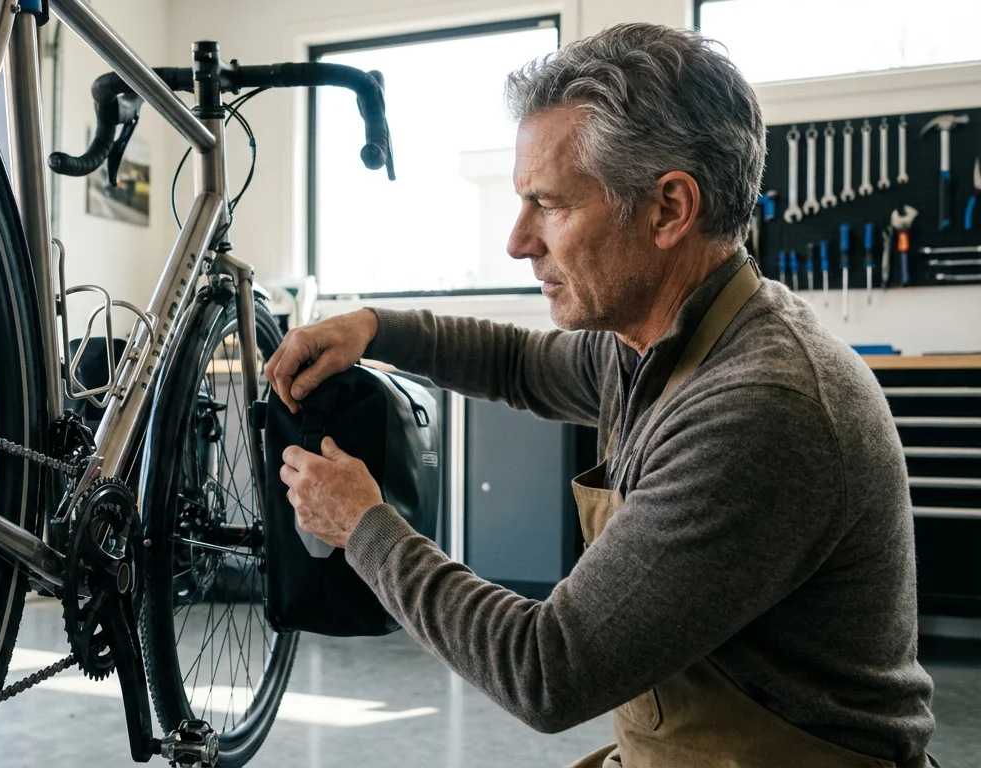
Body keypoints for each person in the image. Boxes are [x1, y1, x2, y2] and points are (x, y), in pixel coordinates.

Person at [266, 22, 936, 768]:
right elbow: (519, 363)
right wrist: (375, 327)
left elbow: (546, 671)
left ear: (668, 210)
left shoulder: (760, 406)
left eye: (549, 206)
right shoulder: (649, 341)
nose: (519, 243)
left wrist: (363, 525)